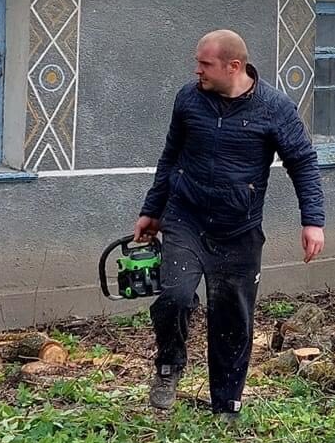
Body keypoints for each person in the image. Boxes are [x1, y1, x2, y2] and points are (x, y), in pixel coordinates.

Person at [135, 28, 324, 417]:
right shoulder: (189, 99)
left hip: (239, 230)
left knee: (232, 319)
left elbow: (303, 162)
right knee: (174, 297)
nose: (197, 71)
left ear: (233, 66)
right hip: (185, 218)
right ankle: (169, 367)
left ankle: (226, 405)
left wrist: (313, 221)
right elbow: (170, 155)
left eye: (205, 64)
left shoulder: (275, 108)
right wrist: (152, 210)